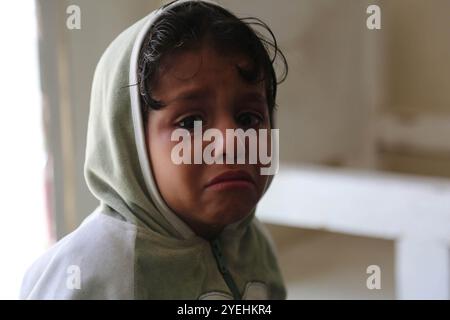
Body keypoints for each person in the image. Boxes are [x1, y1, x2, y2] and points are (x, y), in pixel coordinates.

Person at [20, 0, 288, 299]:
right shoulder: (93, 269)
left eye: (249, 118)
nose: (231, 141)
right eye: (191, 122)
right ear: (130, 146)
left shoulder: (252, 242)